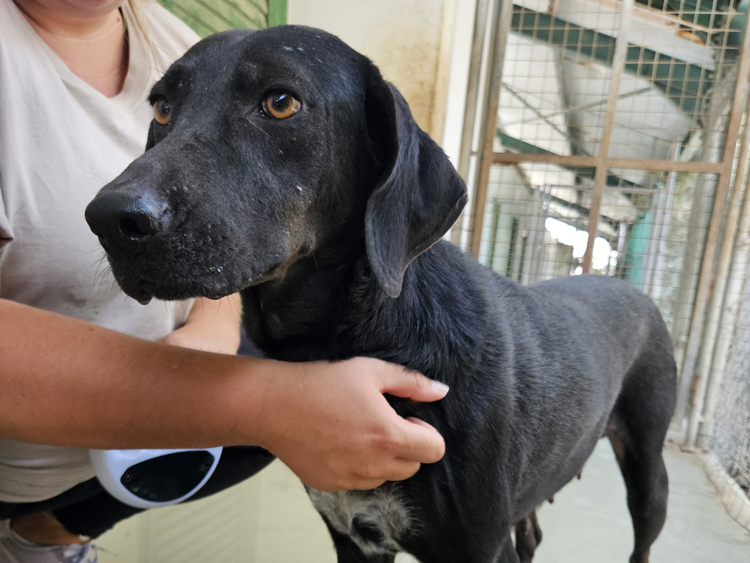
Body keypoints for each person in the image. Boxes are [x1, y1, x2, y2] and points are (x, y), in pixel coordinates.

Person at [0, 0, 448, 561]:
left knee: (290, 352)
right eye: (164, 110)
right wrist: (269, 405)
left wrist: (210, 335)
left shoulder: (175, 43)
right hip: (14, 460)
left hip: (127, 454)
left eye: (278, 103)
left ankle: (45, 536)